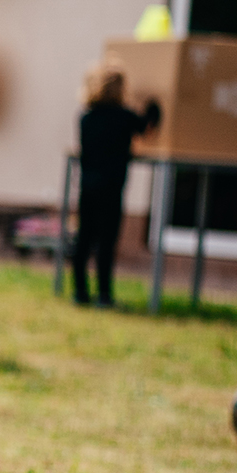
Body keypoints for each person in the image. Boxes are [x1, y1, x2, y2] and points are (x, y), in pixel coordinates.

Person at [71, 61, 159, 308]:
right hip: (112, 188)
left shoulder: (86, 117)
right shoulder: (124, 117)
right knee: (106, 242)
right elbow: (147, 126)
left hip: (88, 187)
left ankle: (80, 292)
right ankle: (104, 295)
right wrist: (154, 105)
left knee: (84, 239)